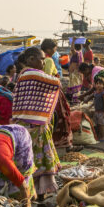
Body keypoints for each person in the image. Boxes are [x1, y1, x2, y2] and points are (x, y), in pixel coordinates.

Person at [11, 47, 62, 199]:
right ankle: (40, 195)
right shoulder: (33, 73)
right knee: (38, 160)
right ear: (31, 59)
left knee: (27, 158)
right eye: (41, 59)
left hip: (24, 123)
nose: (43, 62)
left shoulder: (23, 74)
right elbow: (56, 83)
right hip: (34, 125)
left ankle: (31, 194)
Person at [92, 76, 104, 140]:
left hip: (102, 112)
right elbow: (95, 101)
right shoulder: (95, 93)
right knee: (97, 124)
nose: (98, 85)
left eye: (100, 84)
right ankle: (99, 136)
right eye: (97, 83)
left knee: (102, 125)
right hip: (97, 111)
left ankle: (103, 137)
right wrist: (91, 106)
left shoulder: (103, 93)